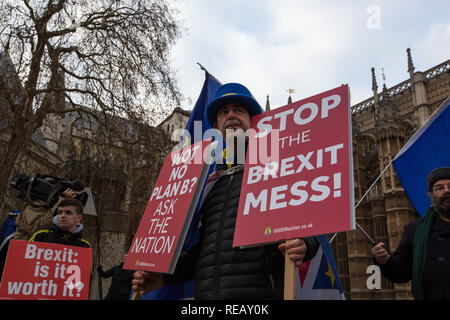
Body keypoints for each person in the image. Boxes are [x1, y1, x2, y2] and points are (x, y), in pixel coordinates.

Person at [133, 83, 319, 299]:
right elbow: (204, 252)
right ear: (216, 125)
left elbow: (307, 225)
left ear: (253, 121)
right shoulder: (212, 183)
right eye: (224, 112)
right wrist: (163, 278)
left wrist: (305, 243)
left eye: (238, 110)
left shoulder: (275, 170)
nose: (231, 115)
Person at [371, 167, 450, 300]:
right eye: (439, 188)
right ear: (431, 195)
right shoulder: (415, 229)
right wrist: (385, 261)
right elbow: (402, 274)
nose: (447, 191)